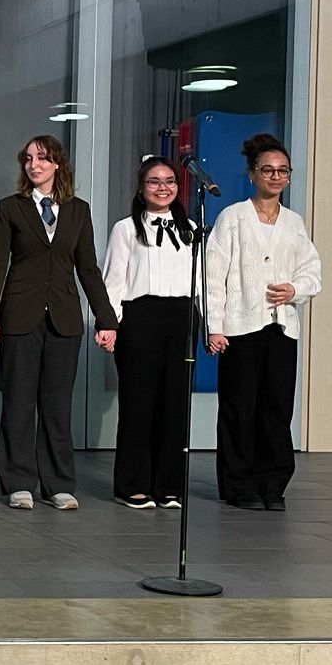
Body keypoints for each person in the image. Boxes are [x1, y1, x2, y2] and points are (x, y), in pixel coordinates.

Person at [0, 134, 117, 510]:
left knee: (57, 405)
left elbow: (88, 268)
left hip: (64, 320)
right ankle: (19, 481)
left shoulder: (78, 211)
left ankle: (58, 484)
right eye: (29, 158)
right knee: (18, 402)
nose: (34, 165)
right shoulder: (10, 208)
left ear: (57, 164)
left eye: (42, 158)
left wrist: (107, 319)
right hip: (19, 316)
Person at [205, 134, 323, 511]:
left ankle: (272, 484)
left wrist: (295, 289)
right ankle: (239, 484)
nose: (275, 177)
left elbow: (312, 272)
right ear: (252, 174)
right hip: (240, 329)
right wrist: (214, 325)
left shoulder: (294, 222)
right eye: (267, 170)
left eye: (282, 171)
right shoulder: (233, 218)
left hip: (282, 328)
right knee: (239, 409)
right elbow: (212, 275)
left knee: (276, 409)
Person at [101, 156, 197, 510]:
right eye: (154, 182)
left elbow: (200, 280)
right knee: (139, 404)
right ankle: (132, 484)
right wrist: (109, 323)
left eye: (169, 181)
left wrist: (210, 325)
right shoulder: (126, 228)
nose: (162, 188)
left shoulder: (191, 229)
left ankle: (167, 485)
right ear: (142, 188)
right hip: (140, 318)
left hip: (181, 317)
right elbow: (114, 279)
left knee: (174, 405)